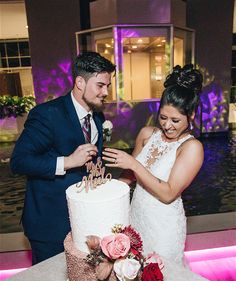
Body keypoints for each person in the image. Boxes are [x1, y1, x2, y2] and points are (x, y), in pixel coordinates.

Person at [10, 51, 116, 265]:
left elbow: (92, 161)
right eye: (100, 85)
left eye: (108, 86)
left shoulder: (97, 116)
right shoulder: (47, 114)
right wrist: (68, 161)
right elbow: (19, 161)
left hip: (84, 220)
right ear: (79, 82)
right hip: (50, 223)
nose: (106, 92)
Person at [102, 64, 204, 265]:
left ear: (190, 115)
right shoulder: (147, 134)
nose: (167, 125)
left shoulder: (191, 148)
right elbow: (129, 176)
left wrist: (133, 163)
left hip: (164, 228)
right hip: (137, 218)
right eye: (163, 117)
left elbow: (168, 193)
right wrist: (107, 192)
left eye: (175, 120)